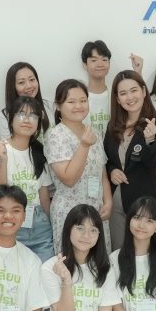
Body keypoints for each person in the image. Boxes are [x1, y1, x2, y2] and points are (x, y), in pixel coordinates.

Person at [0, 96, 55, 263]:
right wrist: (3, 160)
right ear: (11, 119)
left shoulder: (39, 152)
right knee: (14, 273)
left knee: (44, 271)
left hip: (39, 223)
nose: (27, 120)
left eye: (33, 116)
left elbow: (43, 194)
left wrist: (51, 223)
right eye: (21, 114)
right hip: (9, 221)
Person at [104, 70, 156, 252]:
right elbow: (107, 159)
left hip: (143, 206)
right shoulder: (113, 126)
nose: (130, 97)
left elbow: (152, 165)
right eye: (123, 93)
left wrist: (149, 141)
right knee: (117, 253)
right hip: (115, 203)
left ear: (143, 91)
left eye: (134, 90)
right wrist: (112, 170)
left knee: (144, 255)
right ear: (117, 99)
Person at [46, 79, 112, 254]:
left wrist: (108, 201)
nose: (78, 106)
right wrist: (84, 146)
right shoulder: (55, 135)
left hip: (97, 210)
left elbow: (102, 173)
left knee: (98, 261)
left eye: (83, 101)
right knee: (72, 262)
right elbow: (68, 179)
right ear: (58, 106)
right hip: (70, 212)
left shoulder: (93, 132)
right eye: (71, 102)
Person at [4, 62, 54, 135]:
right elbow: (7, 141)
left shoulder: (49, 106)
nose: (29, 86)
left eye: (31, 79)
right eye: (21, 82)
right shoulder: (4, 115)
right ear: (13, 87)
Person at [82, 40, 113, 135]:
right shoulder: (78, 97)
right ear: (84, 65)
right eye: (94, 60)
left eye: (104, 60)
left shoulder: (116, 94)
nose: (100, 64)